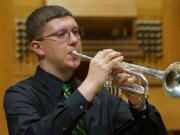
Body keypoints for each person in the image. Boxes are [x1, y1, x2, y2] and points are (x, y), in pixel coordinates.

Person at [4, 5, 168, 135]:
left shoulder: (102, 97)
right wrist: (89, 86)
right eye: (61, 35)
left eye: (75, 32)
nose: (74, 40)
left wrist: (138, 106)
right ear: (38, 47)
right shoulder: (19, 95)